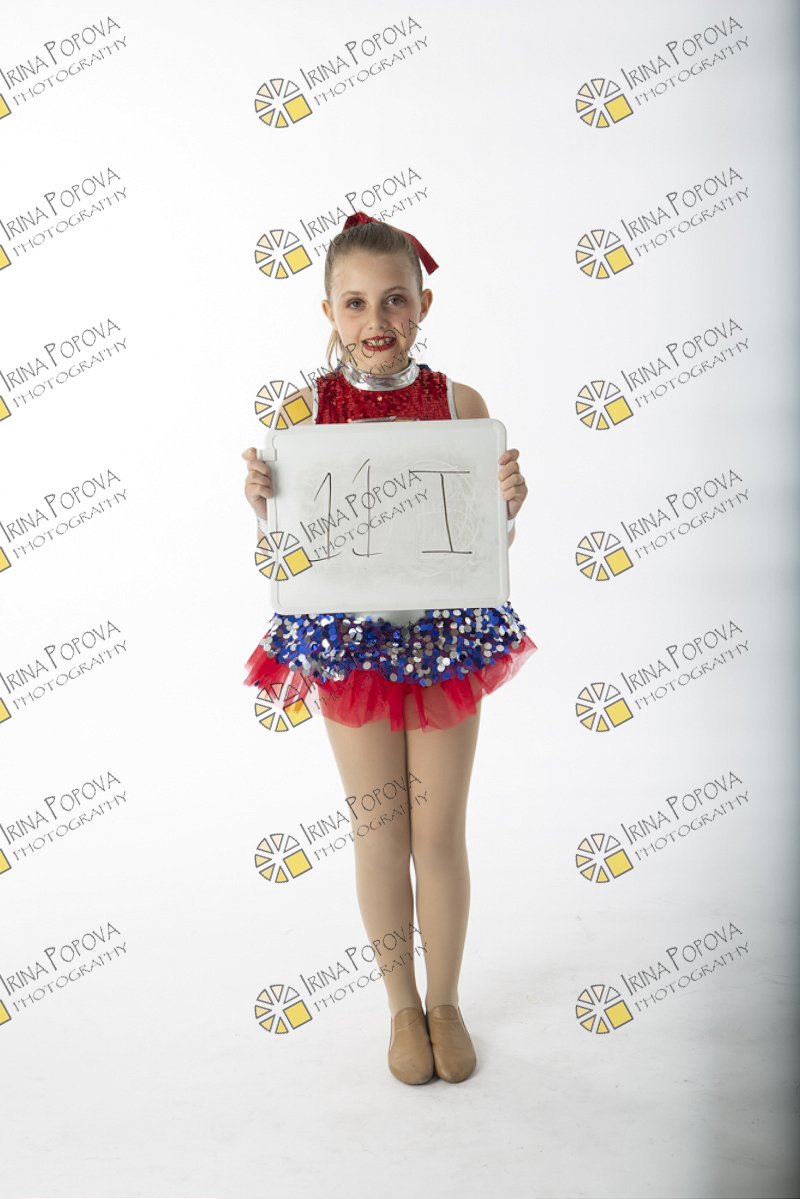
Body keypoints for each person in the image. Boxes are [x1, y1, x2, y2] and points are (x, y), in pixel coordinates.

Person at [241, 212, 537, 1085]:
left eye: (397, 300)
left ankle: (445, 1001)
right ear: (329, 312)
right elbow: (293, 556)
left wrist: (507, 506)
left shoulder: (460, 406)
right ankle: (401, 1006)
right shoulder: (303, 413)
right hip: (350, 645)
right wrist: (264, 505)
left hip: (445, 641)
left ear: (423, 305)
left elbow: (481, 551)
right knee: (381, 831)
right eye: (357, 302)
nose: (378, 319)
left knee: (438, 832)